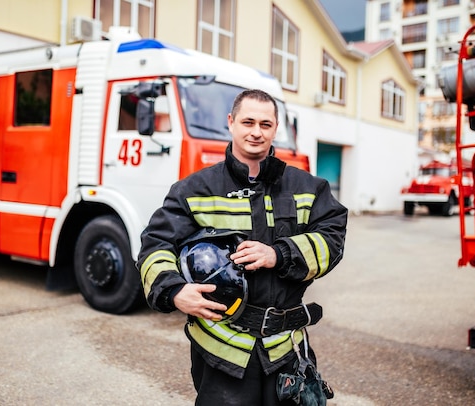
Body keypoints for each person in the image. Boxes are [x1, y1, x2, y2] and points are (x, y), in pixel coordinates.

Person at [137, 89, 347, 405]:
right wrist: (175, 291)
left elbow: (332, 239)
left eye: (265, 124)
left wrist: (279, 253)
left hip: (286, 350)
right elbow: (155, 244)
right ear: (231, 123)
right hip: (221, 350)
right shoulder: (195, 189)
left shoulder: (309, 188)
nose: (256, 132)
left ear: (276, 128)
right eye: (248, 121)